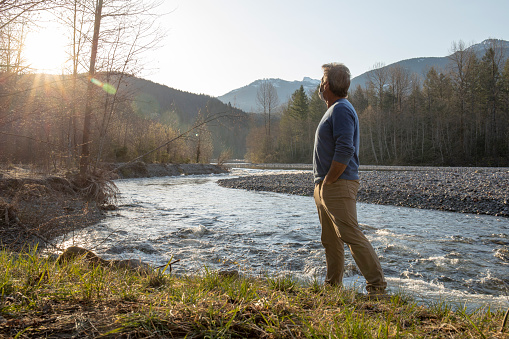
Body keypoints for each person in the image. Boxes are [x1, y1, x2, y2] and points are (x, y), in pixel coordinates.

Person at [313, 62, 387, 295]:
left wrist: (329, 181)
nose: (320, 85)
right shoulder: (335, 108)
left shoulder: (341, 109)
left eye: (322, 80)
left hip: (337, 183)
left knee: (350, 235)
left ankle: (377, 288)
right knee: (331, 240)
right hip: (327, 185)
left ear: (328, 85)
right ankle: (332, 287)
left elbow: (345, 149)